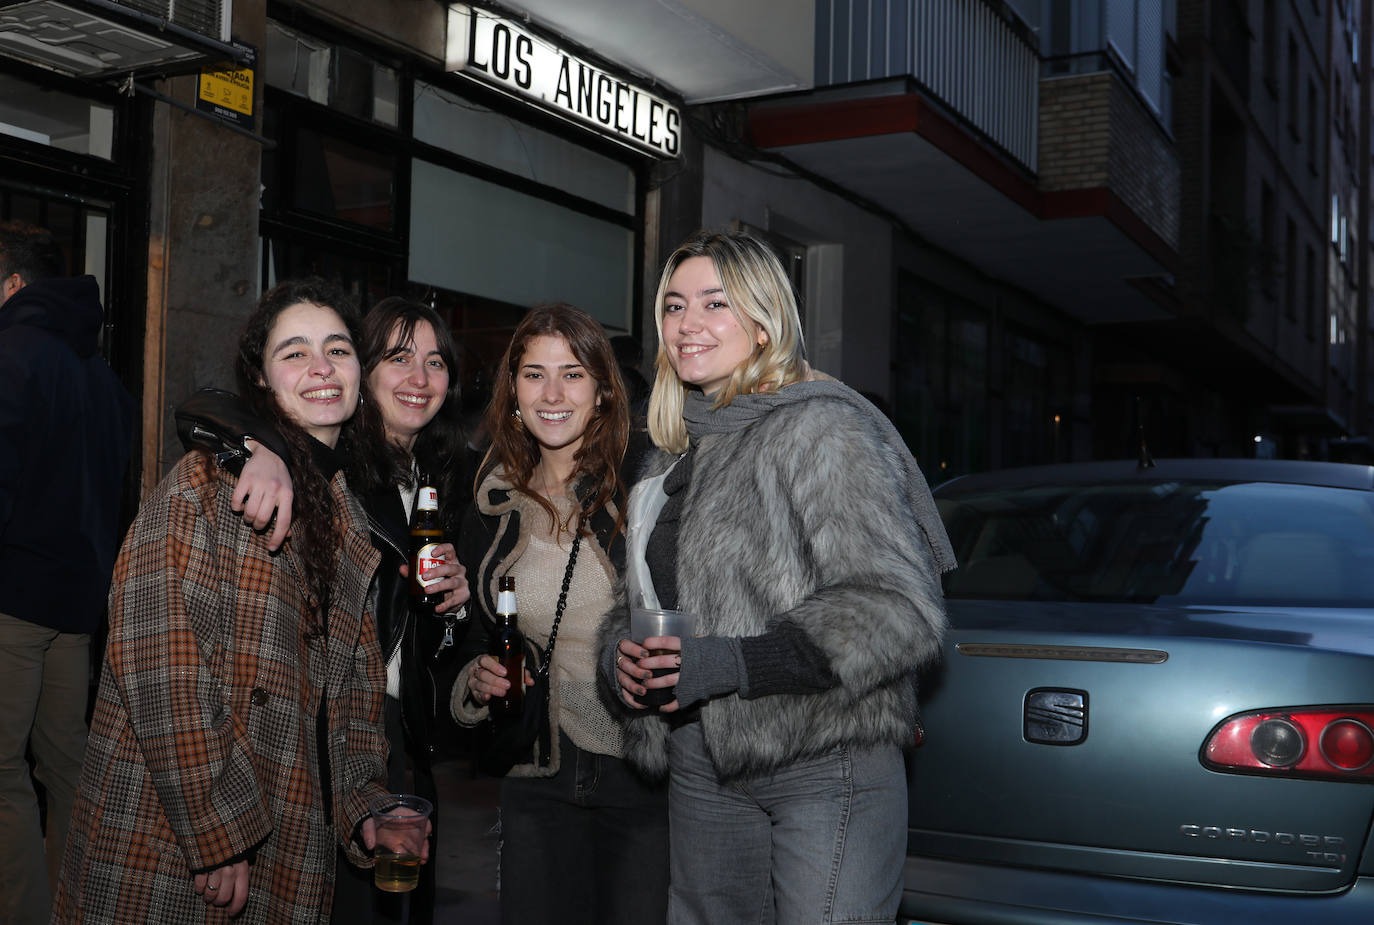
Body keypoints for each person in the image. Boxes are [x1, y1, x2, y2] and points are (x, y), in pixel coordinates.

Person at [601, 230, 955, 925]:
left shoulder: (819, 430)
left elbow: (896, 608)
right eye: (673, 305)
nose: (687, 323)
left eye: (714, 303)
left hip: (826, 760)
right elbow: (634, 603)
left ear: (765, 322)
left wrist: (730, 661)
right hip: (701, 761)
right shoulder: (666, 457)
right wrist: (622, 659)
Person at [52, 278, 423, 924]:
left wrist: (365, 807)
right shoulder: (207, 484)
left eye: (337, 349)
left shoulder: (348, 522)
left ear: (360, 376)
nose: (320, 367)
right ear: (260, 380)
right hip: (170, 846)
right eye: (294, 352)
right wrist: (218, 826)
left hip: (284, 840)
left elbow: (348, 701)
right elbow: (158, 661)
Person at [173, 296, 471, 925]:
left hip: (399, 729)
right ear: (364, 372)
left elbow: (428, 639)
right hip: (326, 724)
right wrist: (259, 449)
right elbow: (207, 404)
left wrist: (453, 608)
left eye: (435, 361)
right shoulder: (327, 466)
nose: (420, 379)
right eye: (397, 358)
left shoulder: (442, 477)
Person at [452, 303, 668, 925]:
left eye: (572, 374)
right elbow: (470, 634)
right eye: (533, 374)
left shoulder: (645, 493)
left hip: (643, 773)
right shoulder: (490, 502)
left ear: (602, 391)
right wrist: (478, 679)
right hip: (536, 771)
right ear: (512, 392)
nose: (552, 393)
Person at [0, 221, 134, 925]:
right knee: (69, 766)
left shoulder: (10, 352)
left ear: (15, 286)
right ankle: (78, 908)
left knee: (1, 775)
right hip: (78, 606)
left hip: (13, 603)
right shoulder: (102, 376)